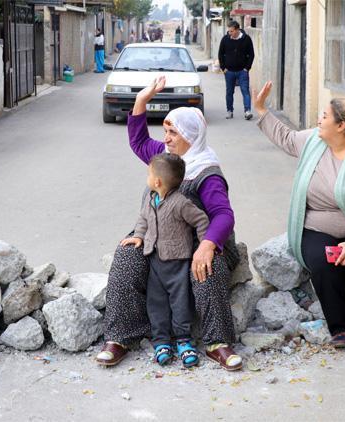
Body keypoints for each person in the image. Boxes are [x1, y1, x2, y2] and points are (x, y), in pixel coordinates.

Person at [97, 76, 243, 371]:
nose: (165, 138)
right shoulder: (167, 159)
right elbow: (138, 141)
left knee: (207, 267)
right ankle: (120, 337)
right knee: (126, 258)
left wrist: (207, 245)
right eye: (164, 131)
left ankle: (218, 343)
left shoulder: (207, 171)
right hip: (157, 236)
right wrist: (141, 99)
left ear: (190, 135)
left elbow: (223, 216)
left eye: (172, 132)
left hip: (198, 240)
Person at [253, 81, 345, 356]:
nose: (319, 119)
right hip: (316, 227)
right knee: (322, 262)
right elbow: (285, 137)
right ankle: (342, 329)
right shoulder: (314, 141)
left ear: (341, 126)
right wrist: (261, 109)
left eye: (324, 116)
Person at [121, 153, 207, 368]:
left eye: (149, 173)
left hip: (178, 263)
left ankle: (184, 341)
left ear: (157, 181)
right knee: (156, 303)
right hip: (155, 261)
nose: (147, 177)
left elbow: (201, 220)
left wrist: (205, 244)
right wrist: (138, 236)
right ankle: (161, 342)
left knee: (180, 303)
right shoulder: (152, 198)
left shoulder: (180, 203)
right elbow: (143, 219)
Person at [218, 20, 255, 120]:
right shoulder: (225, 39)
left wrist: (247, 68)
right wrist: (223, 68)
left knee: (245, 91)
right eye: (229, 31)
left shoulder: (246, 39)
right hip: (229, 71)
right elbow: (220, 54)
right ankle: (229, 111)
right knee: (229, 92)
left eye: (231, 31)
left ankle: (247, 111)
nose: (230, 33)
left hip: (242, 72)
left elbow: (251, 54)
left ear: (237, 30)